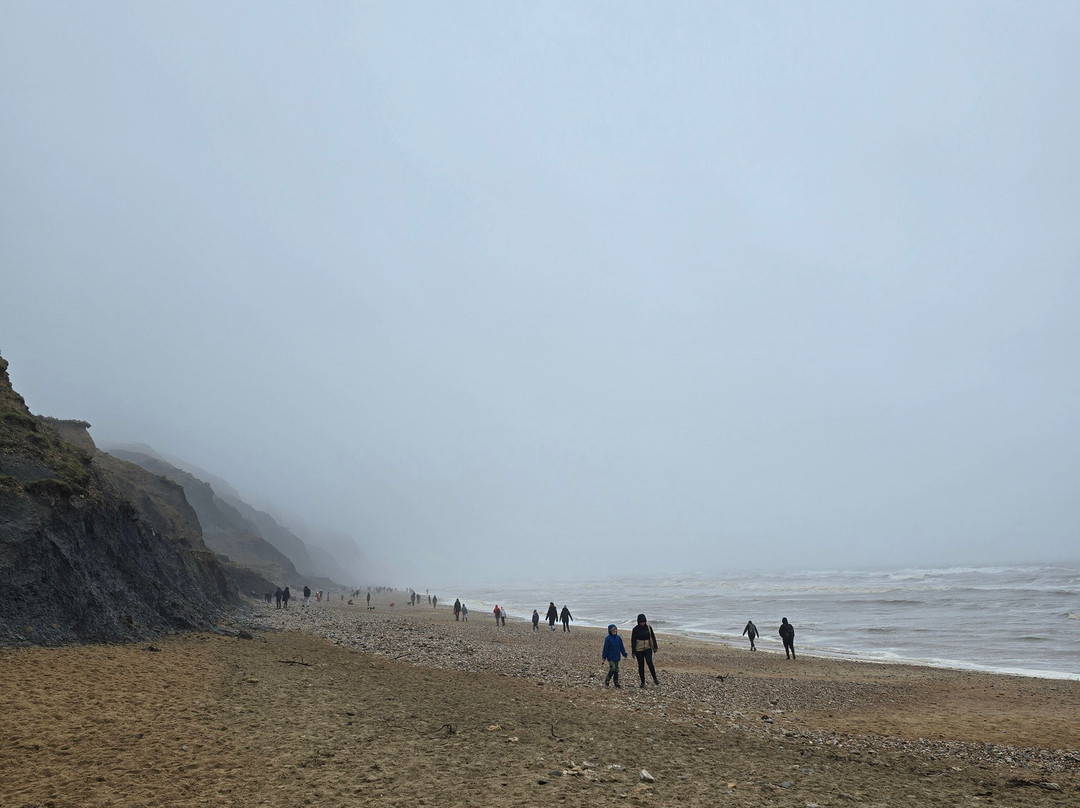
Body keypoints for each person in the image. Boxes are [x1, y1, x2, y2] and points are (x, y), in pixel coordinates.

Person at [630, 613, 659, 687]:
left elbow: (653, 637)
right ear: (638, 622)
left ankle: (655, 678)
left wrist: (655, 646)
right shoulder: (635, 629)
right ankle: (642, 682)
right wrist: (633, 651)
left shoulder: (649, 627)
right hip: (638, 649)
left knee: (650, 662)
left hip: (647, 647)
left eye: (643, 621)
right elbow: (633, 640)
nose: (642, 623)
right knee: (641, 665)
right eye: (641, 622)